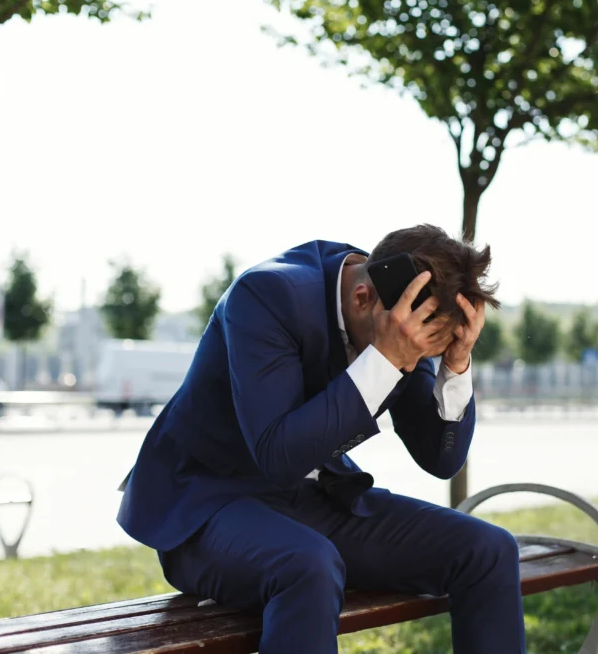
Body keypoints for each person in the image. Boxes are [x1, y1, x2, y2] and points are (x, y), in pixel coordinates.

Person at [116, 224, 525, 653]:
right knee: (307, 565)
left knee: (489, 550)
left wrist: (456, 364)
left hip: (313, 500)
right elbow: (278, 457)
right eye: (417, 351)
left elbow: (440, 459)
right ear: (362, 299)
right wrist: (385, 361)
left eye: (429, 352)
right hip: (205, 508)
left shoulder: (404, 313)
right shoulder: (266, 296)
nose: (416, 360)